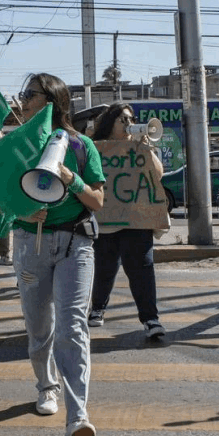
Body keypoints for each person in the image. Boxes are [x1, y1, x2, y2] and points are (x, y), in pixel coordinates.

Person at [12, 73, 105, 436]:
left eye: (29, 95)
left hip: (75, 245)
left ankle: (77, 414)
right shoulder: (16, 145)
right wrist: (22, 207)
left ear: (51, 100)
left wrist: (73, 180)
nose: (23, 100)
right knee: (40, 329)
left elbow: (98, 201)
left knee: (72, 327)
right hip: (29, 244)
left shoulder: (81, 146)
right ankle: (46, 385)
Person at [87, 102, 166, 340]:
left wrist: (147, 149)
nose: (128, 124)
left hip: (136, 219)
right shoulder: (96, 148)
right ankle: (98, 307)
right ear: (110, 122)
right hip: (106, 219)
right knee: (105, 268)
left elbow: (157, 174)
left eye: (131, 119)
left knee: (142, 268)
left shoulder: (140, 146)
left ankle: (150, 318)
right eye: (123, 119)